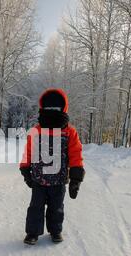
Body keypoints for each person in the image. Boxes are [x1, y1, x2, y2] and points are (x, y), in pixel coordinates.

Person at [20, 89, 85, 245]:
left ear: (62, 108)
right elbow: (29, 151)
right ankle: (32, 233)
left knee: (56, 207)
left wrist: (76, 178)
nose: (52, 111)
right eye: (49, 108)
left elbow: (75, 153)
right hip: (39, 179)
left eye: (55, 108)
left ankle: (55, 231)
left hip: (58, 179)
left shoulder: (69, 131)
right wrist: (25, 169)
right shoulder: (36, 130)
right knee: (36, 207)